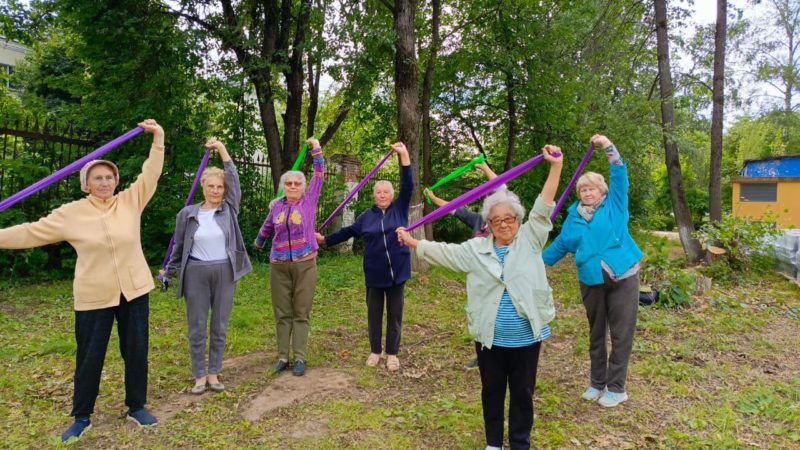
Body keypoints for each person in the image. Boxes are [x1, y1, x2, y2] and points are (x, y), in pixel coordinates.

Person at [0, 119, 164, 442]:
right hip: (93, 295)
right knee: (90, 355)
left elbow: (151, 172)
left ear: (116, 181)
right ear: (86, 184)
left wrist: (157, 138)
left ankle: (136, 407)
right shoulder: (71, 213)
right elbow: (30, 231)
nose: (104, 182)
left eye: (109, 177)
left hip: (134, 290)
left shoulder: (131, 201)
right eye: (97, 178)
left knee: (136, 349)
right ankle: (82, 416)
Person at [397, 146, 563, 450]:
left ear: (518, 219)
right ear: (488, 223)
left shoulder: (531, 239)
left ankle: (519, 442)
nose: (504, 224)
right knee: (492, 391)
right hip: (490, 337)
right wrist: (412, 241)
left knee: (523, 392)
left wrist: (555, 167)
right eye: (497, 219)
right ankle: (493, 444)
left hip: (526, 338)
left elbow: (544, 204)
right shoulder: (476, 250)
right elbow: (444, 252)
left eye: (509, 218)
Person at [542, 134, 643, 408]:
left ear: (603, 191)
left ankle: (617, 387)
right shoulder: (573, 218)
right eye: (583, 189)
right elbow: (559, 247)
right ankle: (597, 383)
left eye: (592, 188)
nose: (587, 192)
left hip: (623, 277)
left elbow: (619, 172)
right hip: (591, 281)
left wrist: (608, 146)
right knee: (596, 333)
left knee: (621, 334)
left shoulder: (615, 206)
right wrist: (533, 263)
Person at [162, 138, 252, 394]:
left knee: (219, 325)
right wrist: (169, 271)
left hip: (225, 271)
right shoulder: (187, 214)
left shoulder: (229, 209)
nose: (215, 190)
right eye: (210, 186)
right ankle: (199, 375)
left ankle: (214, 373)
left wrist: (222, 150)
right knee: (198, 325)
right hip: (196, 273)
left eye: (219, 187)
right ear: (203, 187)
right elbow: (180, 248)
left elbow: (234, 180)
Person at [315, 142, 412, 372]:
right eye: (378, 192)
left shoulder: (400, 209)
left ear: (392, 195)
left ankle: (392, 354)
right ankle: (375, 351)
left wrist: (404, 156)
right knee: (374, 314)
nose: (382, 195)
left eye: (386, 192)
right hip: (374, 274)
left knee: (395, 315)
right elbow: (347, 232)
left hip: (398, 272)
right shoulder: (366, 217)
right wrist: (325, 240)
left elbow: (408, 184)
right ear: (374, 195)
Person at [254, 137, 323, 377]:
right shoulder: (276, 207)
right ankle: (283, 356)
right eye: (289, 183)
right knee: (282, 312)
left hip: (305, 264)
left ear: (303, 188)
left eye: (297, 183)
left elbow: (319, 175)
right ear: (284, 186)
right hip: (279, 265)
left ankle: (300, 357)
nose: (293, 186)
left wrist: (316, 150)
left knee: (301, 312)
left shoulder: (309, 202)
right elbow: (267, 227)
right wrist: (259, 241)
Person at [424, 162, 498, 370]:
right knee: (478, 315)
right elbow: (451, 208)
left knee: (497, 316)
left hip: (499, 277)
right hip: (477, 277)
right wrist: (432, 197)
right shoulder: (477, 219)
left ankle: (498, 356)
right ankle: (482, 356)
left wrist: (484, 168)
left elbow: (500, 186)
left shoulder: (506, 220)